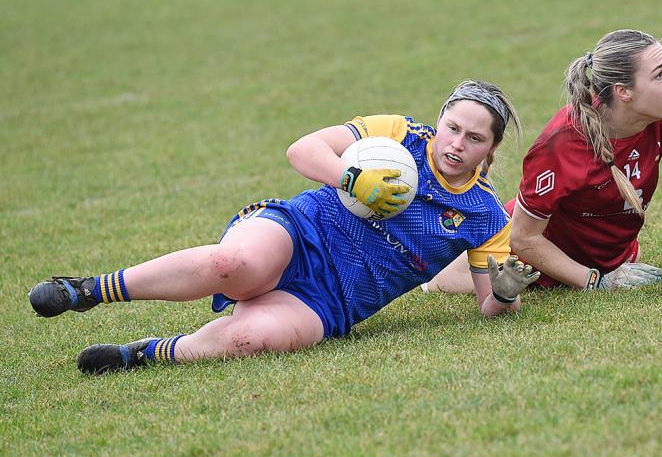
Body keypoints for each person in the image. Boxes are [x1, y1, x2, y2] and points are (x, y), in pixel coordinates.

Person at [27, 80, 539, 374]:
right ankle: (90, 290)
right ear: (440, 118)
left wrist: (508, 290)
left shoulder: (486, 216)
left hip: (332, 301)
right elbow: (301, 149)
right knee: (233, 264)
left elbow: (490, 308)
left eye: (473, 138)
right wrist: (350, 177)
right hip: (300, 232)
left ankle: (146, 352)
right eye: (453, 127)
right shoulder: (400, 135)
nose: (455, 144)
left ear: (490, 151)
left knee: (250, 339)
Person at [426, 30, 662, 293]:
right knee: (437, 284)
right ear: (623, 91)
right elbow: (522, 237)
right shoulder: (562, 142)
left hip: (608, 256)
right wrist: (595, 280)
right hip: (525, 257)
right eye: (659, 74)